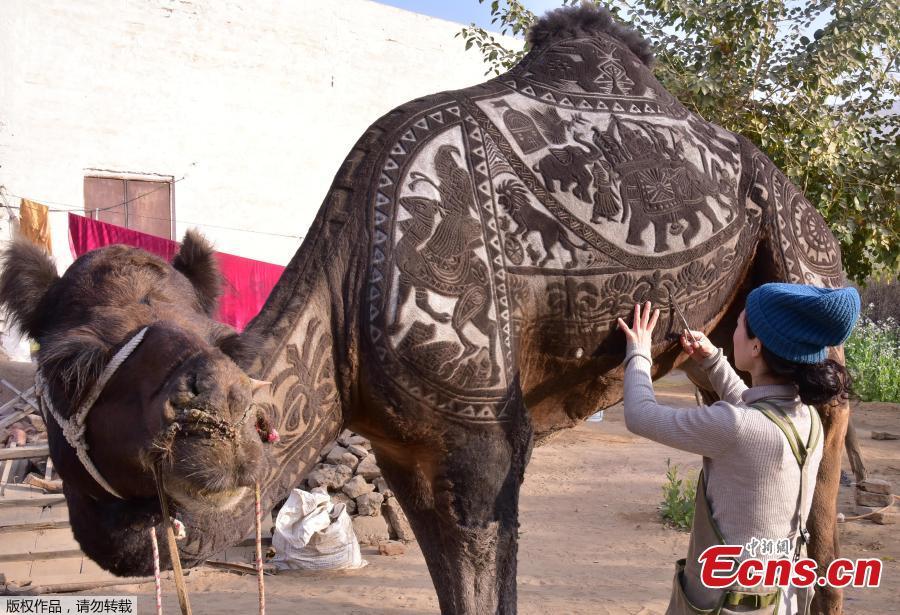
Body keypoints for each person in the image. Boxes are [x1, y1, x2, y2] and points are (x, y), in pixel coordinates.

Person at [617, 283, 860, 615]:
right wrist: (714, 362)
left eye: (741, 324)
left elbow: (640, 415)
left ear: (757, 346)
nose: (733, 333)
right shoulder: (808, 420)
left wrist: (639, 351)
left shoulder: (736, 427)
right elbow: (758, 418)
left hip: (728, 606)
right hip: (781, 603)